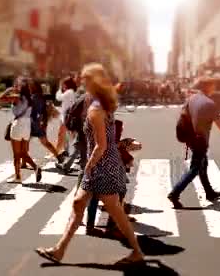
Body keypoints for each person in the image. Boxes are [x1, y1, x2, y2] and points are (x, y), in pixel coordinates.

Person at [35, 63, 144, 265]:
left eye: (85, 79)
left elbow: (100, 145)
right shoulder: (102, 102)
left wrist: (89, 165)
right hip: (103, 163)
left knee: (116, 212)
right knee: (79, 204)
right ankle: (59, 251)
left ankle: (137, 252)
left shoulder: (95, 109)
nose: (81, 82)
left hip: (103, 166)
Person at [167, 77, 220, 209]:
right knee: (195, 168)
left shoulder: (191, 98)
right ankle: (175, 193)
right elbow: (219, 122)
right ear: (208, 86)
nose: (215, 88)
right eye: (214, 85)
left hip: (190, 138)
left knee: (203, 164)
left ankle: (209, 192)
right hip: (200, 140)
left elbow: (183, 115)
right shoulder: (209, 104)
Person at [8, 78, 41, 184]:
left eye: (17, 85)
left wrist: (9, 90)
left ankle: (18, 177)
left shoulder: (17, 98)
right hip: (27, 126)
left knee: (17, 154)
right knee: (24, 153)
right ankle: (36, 167)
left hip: (18, 125)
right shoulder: (29, 99)